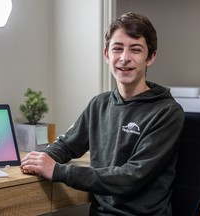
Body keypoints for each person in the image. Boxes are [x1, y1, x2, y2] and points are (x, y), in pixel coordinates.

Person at [20, 12, 185, 216]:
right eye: (117, 49)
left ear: (150, 57)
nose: (124, 58)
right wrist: (41, 159)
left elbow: (131, 177)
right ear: (107, 55)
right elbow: (66, 145)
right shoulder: (99, 104)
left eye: (135, 50)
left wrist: (57, 170)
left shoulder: (167, 113)